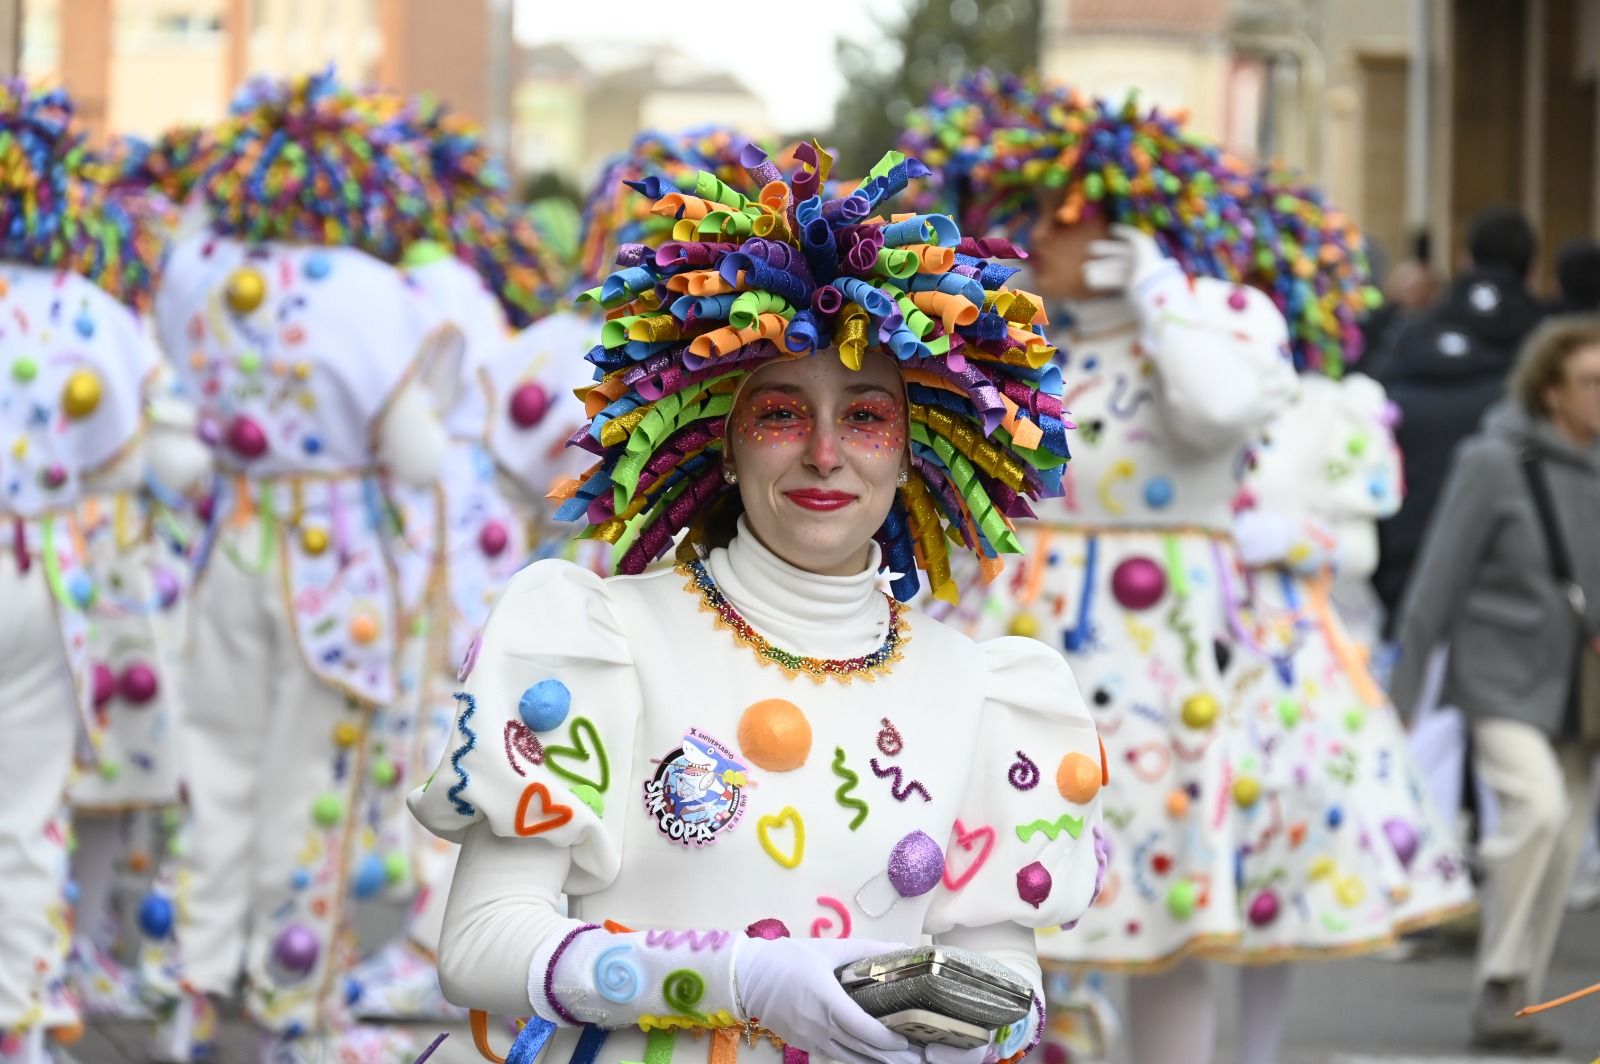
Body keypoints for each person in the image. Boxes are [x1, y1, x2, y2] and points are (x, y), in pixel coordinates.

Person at [408, 144, 1108, 1064]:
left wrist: (975, 1030)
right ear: (723, 446)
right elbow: (480, 945)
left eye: (865, 416)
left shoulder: (986, 691)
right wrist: (741, 981)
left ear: (912, 456)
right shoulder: (596, 642)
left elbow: (1010, 990)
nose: (825, 454)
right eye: (781, 413)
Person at [902, 74, 1315, 1064]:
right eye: (1030, 209)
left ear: (1134, 223)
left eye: (1068, 213)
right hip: (1017, 630)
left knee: (1164, 918)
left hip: (1168, 652)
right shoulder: (1015, 323)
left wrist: (1160, 293)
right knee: (989, 895)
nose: (1039, 230)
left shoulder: (1223, 316)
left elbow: (1214, 411)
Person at [141, 71, 460, 1064]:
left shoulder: (193, 269)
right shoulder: (372, 293)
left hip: (226, 547)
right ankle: (292, 1009)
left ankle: (184, 993)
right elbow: (417, 457)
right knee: (306, 789)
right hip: (337, 571)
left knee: (211, 771)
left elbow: (171, 438)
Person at [0, 82, 199, 1064]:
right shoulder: (87, 310)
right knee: (24, 811)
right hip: (36, 566)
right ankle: (18, 1027)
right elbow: (137, 463)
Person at [1390, 316, 1600, 1054]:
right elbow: (1436, 582)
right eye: (1590, 382)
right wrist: (1401, 704)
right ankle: (1503, 975)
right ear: (1549, 391)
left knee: (1566, 840)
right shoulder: (1493, 460)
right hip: (1502, 673)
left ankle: (1513, 1001)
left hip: (1582, 686)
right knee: (1537, 812)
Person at [1372, 206, 1545, 624]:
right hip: (1503, 577)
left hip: (1403, 551)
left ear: (1466, 260)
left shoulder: (1411, 333)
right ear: (1533, 270)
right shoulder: (1547, 347)